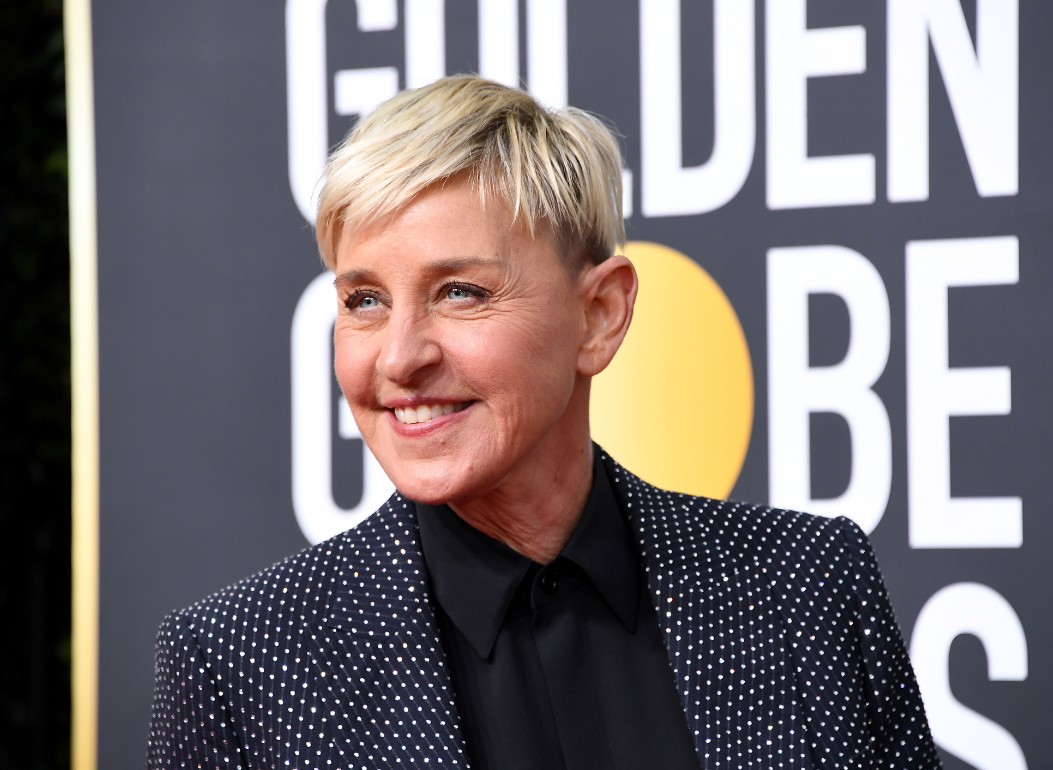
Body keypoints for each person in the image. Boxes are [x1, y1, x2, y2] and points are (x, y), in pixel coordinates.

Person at [147, 76, 940, 770]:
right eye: (364, 300)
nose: (398, 358)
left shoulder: (807, 585)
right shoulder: (238, 666)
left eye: (459, 291)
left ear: (599, 314)